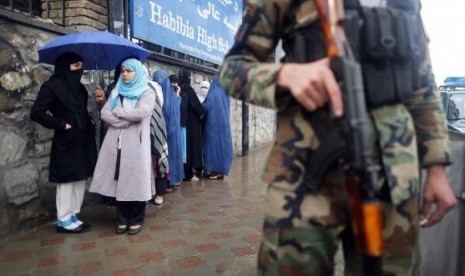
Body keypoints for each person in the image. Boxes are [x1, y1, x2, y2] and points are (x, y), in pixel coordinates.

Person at [219, 1, 457, 275]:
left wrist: (437, 167)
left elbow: (423, 84)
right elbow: (232, 70)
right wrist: (285, 75)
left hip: (394, 182)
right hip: (303, 179)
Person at [30, 52, 97, 234]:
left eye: (81, 66)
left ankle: (74, 214)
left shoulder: (80, 89)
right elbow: (37, 112)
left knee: (80, 178)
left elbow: (81, 111)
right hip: (66, 140)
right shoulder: (52, 87)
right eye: (76, 66)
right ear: (65, 67)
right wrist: (60, 124)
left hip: (82, 140)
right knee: (66, 180)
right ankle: (63, 218)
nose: (80, 69)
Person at [90, 58, 155, 235]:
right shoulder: (117, 91)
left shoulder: (146, 92)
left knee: (136, 180)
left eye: (129, 71)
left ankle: (135, 218)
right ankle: (121, 218)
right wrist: (124, 123)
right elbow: (104, 113)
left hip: (136, 144)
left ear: (137, 73)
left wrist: (118, 112)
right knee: (117, 180)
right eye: (123, 71)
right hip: (116, 143)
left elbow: (142, 112)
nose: (124, 74)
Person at [154, 70, 184, 192]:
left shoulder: (166, 95)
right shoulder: (170, 94)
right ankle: (172, 180)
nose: (159, 83)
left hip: (169, 133)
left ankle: (170, 180)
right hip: (171, 132)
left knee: (170, 156)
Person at [202, 77, 233, 180]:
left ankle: (214, 171)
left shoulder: (213, 93)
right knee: (222, 148)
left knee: (213, 148)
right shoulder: (225, 94)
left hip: (213, 126)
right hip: (224, 127)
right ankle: (221, 171)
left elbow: (207, 107)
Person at [178, 68, 205, 181]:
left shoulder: (178, 89)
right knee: (192, 148)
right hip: (192, 124)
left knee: (185, 148)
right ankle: (191, 172)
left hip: (182, 122)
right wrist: (203, 115)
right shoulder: (189, 89)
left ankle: (186, 172)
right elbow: (196, 106)